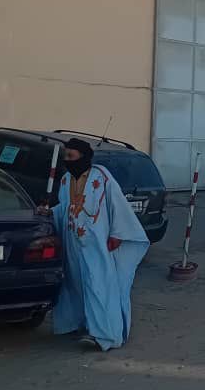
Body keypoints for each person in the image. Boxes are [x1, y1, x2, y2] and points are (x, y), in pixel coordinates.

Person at [50, 138, 150, 350]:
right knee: (77, 286)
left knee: (98, 285)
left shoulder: (102, 177)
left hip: (98, 243)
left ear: (83, 157)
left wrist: (117, 233)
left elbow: (118, 206)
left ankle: (105, 335)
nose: (67, 160)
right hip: (73, 243)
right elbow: (65, 208)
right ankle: (84, 325)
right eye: (65, 156)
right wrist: (49, 213)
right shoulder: (66, 179)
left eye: (71, 156)